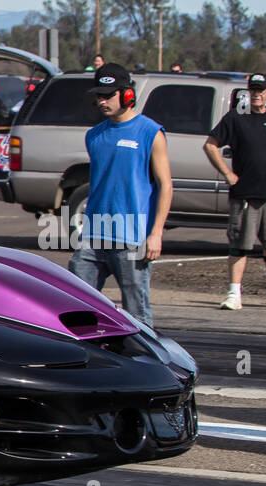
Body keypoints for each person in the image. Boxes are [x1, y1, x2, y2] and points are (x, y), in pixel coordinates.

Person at [67, 63, 171, 328]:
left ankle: (146, 365)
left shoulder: (150, 133)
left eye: (108, 95)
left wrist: (156, 233)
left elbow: (165, 185)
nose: (101, 101)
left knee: (137, 314)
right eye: (98, 96)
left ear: (127, 95)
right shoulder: (94, 136)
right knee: (76, 305)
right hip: (93, 236)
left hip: (131, 239)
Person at [204, 73, 266, 310]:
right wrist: (227, 173)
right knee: (240, 245)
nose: (256, 94)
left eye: (261, 90)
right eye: (252, 90)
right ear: (247, 92)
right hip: (244, 194)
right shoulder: (236, 117)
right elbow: (210, 145)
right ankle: (234, 293)